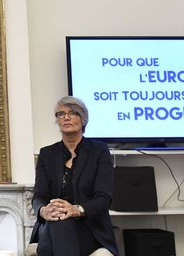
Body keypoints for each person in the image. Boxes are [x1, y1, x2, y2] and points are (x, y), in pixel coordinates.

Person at [29, 96, 118, 256]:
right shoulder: (47, 154)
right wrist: (44, 211)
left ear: (83, 119)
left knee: (52, 240)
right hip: (52, 223)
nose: (66, 117)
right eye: (61, 114)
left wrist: (76, 210)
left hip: (88, 226)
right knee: (58, 223)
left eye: (73, 113)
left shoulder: (99, 151)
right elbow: (39, 196)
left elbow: (104, 198)